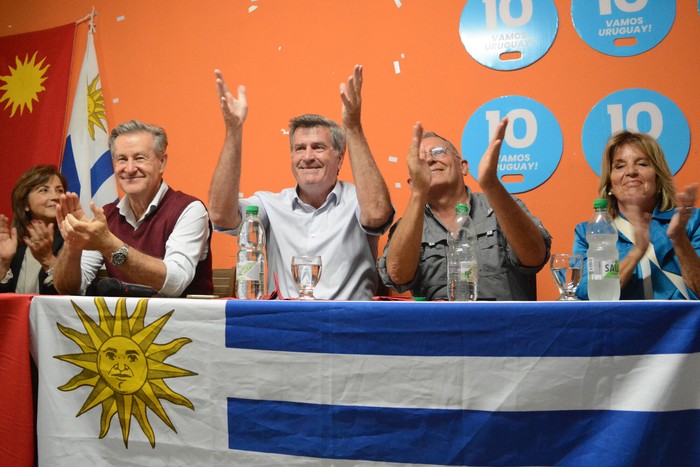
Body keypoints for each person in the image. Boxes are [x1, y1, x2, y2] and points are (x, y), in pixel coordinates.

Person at [208, 65, 394, 300]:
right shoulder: (269, 205)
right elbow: (220, 215)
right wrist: (234, 131)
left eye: (318, 147)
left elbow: (377, 213)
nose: (307, 157)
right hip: (286, 325)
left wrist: (353, 128)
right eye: (299, 149)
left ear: (339, 157)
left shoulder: (360, 200)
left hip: (349, 324)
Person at [378, 120, 551, 300]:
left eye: (438, 152)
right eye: (420, 159)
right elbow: (398, 276)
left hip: (507, 325)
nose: (429, 160)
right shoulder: (407, 227)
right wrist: (418, 193)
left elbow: (534, 257)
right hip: (439, 326)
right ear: (411, 182)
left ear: (463, 166)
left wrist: (491, 184)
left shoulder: (503, 206)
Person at [53, 120, 213, 297]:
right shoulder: (107, 216)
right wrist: (73, 244)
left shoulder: (190, 210)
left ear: (162, 163)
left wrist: (108, 243)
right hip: (119, 323)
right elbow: (69, 289)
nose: (129, 169)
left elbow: (174, 283)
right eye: (122, 159)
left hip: (182, 323)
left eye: (139, 158)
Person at [573, 131, 699, 300]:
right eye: (619, 166)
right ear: (610, 184)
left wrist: (679, 238)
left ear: (658, 178)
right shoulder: (590, 231)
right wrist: (637, 252)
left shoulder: (691, 221)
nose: (631, 171)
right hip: (622, 325)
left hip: (683, 326)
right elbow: (586, 294)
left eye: (642, 164)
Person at [0, 165, 67, 294]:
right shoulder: (15, 245)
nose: (56, 197)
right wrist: (4, 263)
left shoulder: (72, 240)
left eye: (59, 190)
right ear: (25, 204)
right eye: (44, 190)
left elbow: (73, 294)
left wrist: (48, 259)